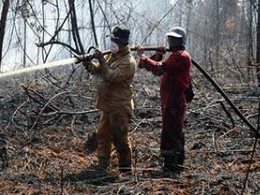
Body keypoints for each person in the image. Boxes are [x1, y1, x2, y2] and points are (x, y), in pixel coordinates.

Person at [136, 27, 192, 173]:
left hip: (175, 100)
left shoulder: (181, 56)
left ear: (181, 41)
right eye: (170, 39)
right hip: (169, 100)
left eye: (175, 39)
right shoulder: (174, 55)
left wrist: (142, 56)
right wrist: (158, 55)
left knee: (171, 131)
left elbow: (159, 67)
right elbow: (156, 70)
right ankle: (175, 162)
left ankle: (171, 165)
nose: (171, 41)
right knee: (172, 129)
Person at [82, 26, 137, 173]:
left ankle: (125, 168)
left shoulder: (128, 62)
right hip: (107, 104)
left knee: (120, 138)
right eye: (111, 39)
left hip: (119, 106)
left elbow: (111, 76)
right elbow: (98, 70)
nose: (112, 42)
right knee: (103, 135)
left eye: (114, 40)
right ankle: (102, 164)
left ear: (122, 42)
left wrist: (101, 59)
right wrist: (88, 63)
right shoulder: (111, 56)